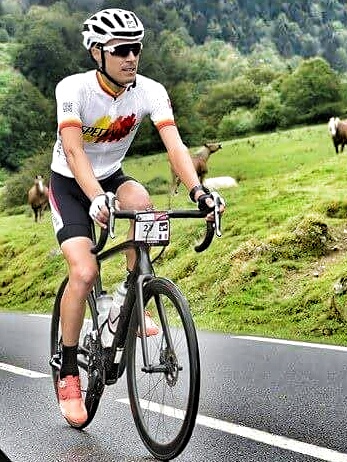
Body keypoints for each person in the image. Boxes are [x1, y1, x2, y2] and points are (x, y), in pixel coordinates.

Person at [48, 8, 224, 426]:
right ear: (97, 53)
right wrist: (94, 197)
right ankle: (69, 369)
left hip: (111, 177)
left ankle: (131, 298)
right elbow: (74, 152)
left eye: (137, 49)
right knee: (86, 271)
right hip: (70, 183)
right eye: (121, 50)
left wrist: (200, 192)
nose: (131, 57)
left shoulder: (149, 91)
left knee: (141, 199)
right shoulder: (73, 89)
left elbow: (176, 147)